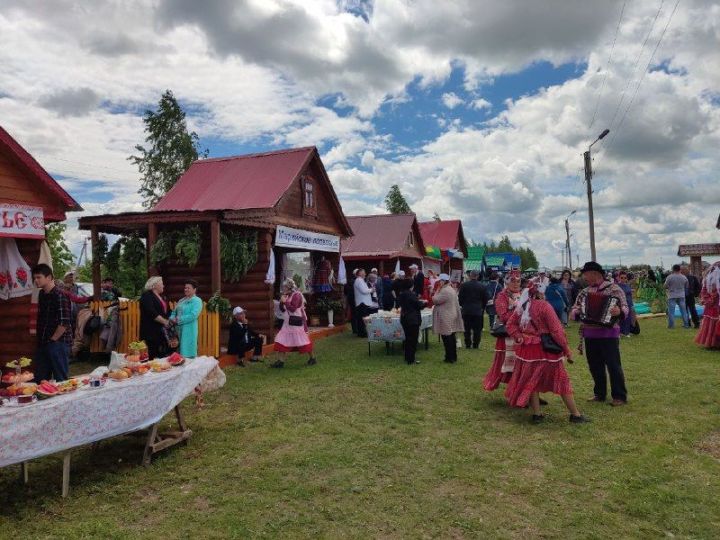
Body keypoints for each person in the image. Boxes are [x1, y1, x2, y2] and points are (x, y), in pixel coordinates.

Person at [504, 283, 588, 424]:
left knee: (532, 381)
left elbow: (510, 325)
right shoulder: (544, 306)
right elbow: (556, 331)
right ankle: (575, 415)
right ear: (541, 293)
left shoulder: (522, 306)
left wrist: (519, 337)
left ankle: (537, 414)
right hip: (544, 350)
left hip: (526, 350)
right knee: (561, 380)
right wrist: (566, 350)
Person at [570, 261, 628, 406]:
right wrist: (576, 312)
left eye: (585, 274)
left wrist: (619, 311)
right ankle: (599, 393)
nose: (584, 277)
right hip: (590, 334)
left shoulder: (614, 289)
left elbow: (626, 307)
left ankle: (619, 396)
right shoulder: (584, 292)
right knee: (594, 365)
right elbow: (574, 309)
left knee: (613, 365)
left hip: (609, 333)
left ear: (594, 274)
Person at [32, 264, 72, 382]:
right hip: (44, 342)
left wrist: (53, 340)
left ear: (49, 277)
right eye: (35, 278)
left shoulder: (61, 295)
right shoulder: (41, 294)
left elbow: (64, 323)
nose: (36, 280)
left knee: (61, 380)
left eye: (39, 277)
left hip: (58, 343)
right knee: (40, 380)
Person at [483, 270, 522, 392]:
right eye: (513, 281)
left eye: (518, 281)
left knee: (524, 365)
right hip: (508, 335)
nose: (516, 284)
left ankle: (529, 394)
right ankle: (516, 392)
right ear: (506, 282)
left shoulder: (523, 294)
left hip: (523, 334)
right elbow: (503, 315)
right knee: (511, 365)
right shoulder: (502, 296)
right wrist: (520, 314)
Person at [271, 278, 316, 368]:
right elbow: (283, 309)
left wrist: (285, 302)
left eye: (284, 287)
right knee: (281, 340)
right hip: (287, 323)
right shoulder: (287, 295)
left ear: (289, 287)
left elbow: (293, 308)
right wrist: (281, 303)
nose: (283, 289)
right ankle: (280, 361)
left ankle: (312, 358)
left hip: (296, 323)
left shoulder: (297, 295)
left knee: (303, 341)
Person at [432, 273, 465, 363]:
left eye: (440, 281)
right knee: (451, 336)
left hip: (446, 315)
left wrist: (436, 291)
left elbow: (435, 300)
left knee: (447, 337)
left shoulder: (445, 290)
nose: (439, 283)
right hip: (450, 314)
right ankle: (452, 356)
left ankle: (450, 357)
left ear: (444, 281)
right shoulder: (450, 289)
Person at [139, 276, 172, 360]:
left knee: (162, 355)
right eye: (161, 283)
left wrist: (173, 318)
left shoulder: (162, 297)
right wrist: (165, 322)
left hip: (162, 331)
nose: (163, 286)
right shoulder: (147, 296)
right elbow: (151, 312)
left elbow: (167, 311)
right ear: (155, 285)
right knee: (152, 356)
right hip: (151, 331)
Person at [170, 279, 203, 358]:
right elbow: (174, 312)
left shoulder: (197, 301)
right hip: (177, 330)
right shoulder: (181, 300)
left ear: (194, 289)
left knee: (188, 354)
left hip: (189, 330)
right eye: (185, 288)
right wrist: (171, 318)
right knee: (177, 353)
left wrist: (178, 320)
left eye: (188, 288)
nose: (186, 289)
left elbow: (193, 315)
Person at [397, 277, 426, 365]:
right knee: (412, 340)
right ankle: (411, 359)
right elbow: (418, 305)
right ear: (411, 285)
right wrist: (424, 303)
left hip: (405, 318)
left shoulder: (402, 294)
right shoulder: (410, 294)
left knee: (407, 339)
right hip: (412, 319)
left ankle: (407, 357)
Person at [458, 270, 488, 349]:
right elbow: (485, 299)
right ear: (477, 276)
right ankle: (476, 344)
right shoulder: (482, 286)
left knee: (466, 328)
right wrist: (482, 307)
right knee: (477, 329)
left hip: (466, 309)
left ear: (470, 276)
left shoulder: (464, 285)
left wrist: (462, 305)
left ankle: (468, 344)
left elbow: (460, 298)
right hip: (477, 310)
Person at [695, 263, 720, 348]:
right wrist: (711, 299)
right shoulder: (715, 280)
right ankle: (715, 343)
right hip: (715, 306)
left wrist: (706, 300)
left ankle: (710, 343)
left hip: (710, 306)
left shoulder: (707, 279)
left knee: (711, 323)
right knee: (715, 323)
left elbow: (703, 291)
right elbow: (716, 292)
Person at [664, 264, 690, 329]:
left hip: (672, 295)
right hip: (681, 295)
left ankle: (671, 325)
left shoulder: (669, 277)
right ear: (680, 269)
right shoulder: (684, 277)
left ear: (673, 269)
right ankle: (686, 324)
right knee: (684, 311)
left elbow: (665, 286)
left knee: (671, 312)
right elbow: (687, 286)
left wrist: (669, 287)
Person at [354, 268, 376, 337]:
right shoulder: (359, 280)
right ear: (360, 273)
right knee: (362, 319)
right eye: (364, 272)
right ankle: (362, 333)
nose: (365, 274)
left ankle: (362, 332)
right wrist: (371, 290)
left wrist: (369, 290)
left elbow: (365, 290)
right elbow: (364, 291)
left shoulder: (361, 280)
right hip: (362, 303)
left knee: (362, 319)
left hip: (363, 302)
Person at [617, 271, 635, 337]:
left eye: (625, 278)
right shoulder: (617, 286)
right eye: (622, 278)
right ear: (618, 278)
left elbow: (630, 295)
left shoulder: (627, 285)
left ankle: (627, 332)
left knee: (628, 318)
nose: (623, 279)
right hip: (622, 304)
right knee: (621, 318)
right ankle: (619, 332)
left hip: (629, 303)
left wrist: (632, 304)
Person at [344, 269, 357, 334]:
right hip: (355, 300)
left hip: (351, 300)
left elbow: (345, 292)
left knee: (353, 315)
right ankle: (356, 329)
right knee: (356, 315)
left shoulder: (349, 281)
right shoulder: (356, 281)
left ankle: (355, 329)